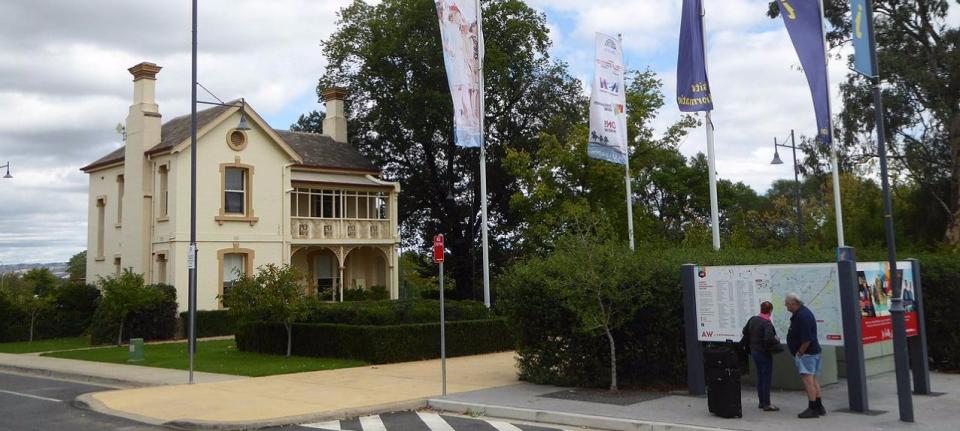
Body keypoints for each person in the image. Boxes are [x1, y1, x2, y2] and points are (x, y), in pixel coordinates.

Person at [785, 293, 825, 418]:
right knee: (813, 380)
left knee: (808, 381)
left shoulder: (802, 316)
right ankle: (819, 406)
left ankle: (812, 408)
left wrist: (800, 352)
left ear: (793, 303)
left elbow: (807, 338)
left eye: (787, 304)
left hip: (807, 354)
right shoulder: (804, 313)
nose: (786, 307)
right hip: (813, 352)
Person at [741, 301, 781, 411]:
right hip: (764, 353)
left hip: (754, 351)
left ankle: (761, 401)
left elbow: (745, 331)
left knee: (760, 376)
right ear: (770, 311)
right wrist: (776, 339)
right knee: (766, 378)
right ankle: (767, 403)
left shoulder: (753, 319)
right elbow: (768, 339)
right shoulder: (766, 323)